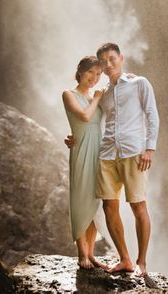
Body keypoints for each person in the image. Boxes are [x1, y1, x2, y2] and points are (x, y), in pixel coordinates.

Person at [66, 42, 159, 276]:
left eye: (111, 59)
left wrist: (150, 148)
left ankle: (142, 262)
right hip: (107, 154)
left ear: (121, 58)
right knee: (108, 207)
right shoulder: (103, 93)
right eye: (102, 63)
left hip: (133, 152)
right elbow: (89, 119)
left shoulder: (139, 83)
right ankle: (125, 259)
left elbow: (152, 115)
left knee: (138, 206)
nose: (107, 65)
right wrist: (73, 137)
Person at [62, 56, 109, 270]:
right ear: (81, 71)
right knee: (81, 199)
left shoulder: (95, 95)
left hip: (98, 150)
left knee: (95, 202)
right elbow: (84, 117)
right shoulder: (69, 94)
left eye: (99, 74)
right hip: (81, 150)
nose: (94, 77)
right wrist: (97, 99)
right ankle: (81, 253)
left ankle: (91, 253)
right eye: (91, 72)